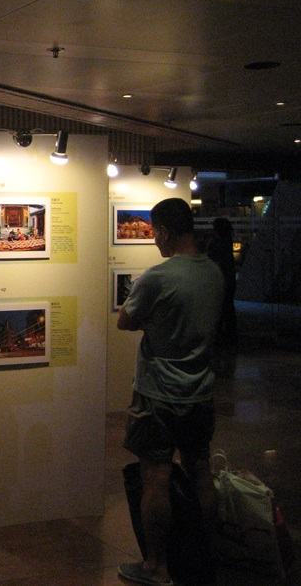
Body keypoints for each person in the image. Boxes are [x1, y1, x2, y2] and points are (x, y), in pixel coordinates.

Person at [117, 198, 224, 586]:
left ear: (163, 231)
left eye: (153, 233)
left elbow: (125, 321)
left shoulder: (158, 276)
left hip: (158, 392)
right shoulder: (213, 273)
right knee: (201, 471)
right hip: (200, 391)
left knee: (156, 478)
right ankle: (207, 558)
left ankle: (156, 567)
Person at [206, 217, 238, 373]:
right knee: (228, 309)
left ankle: (219, 338)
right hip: (229, 279)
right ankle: (230, 338)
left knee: (219, 310)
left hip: (221, 280)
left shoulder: (217, 243)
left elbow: (214, 261)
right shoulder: (228, 241)